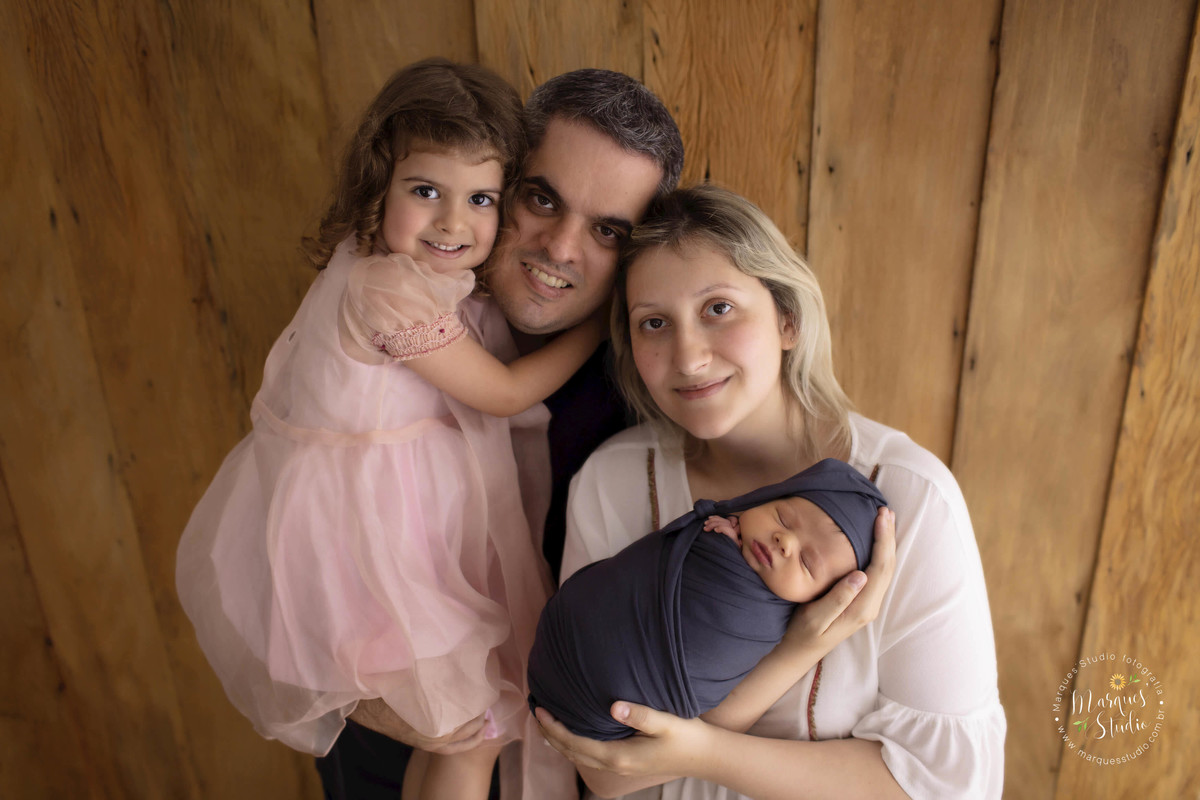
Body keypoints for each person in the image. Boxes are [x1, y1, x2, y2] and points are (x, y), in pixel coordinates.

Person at [175, 58, 610, 800]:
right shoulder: (387, 288)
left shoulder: (387, 266)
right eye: (425, 190)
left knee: (461, 732)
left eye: (481, 199)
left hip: (395, 534)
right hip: (374, 556)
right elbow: (504, 394)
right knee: (475, 730)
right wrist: (598, 324)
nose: (453, 222)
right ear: (378, 184)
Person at [536, 184, 1006, 799]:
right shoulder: (614, 481)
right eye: (654, 323)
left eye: (718, 308)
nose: (688, 357)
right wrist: (797, 652)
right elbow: (601, 767)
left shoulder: (910, 499)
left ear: (788, 319)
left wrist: (704, 752)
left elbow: (948, 785)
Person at [314, 68, 685, 798]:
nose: (561, 248)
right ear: (498, 180)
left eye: (607, 231)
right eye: (541, 199)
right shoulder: (391, 314)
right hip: (373, 742)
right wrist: (358, 695)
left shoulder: (647, 398)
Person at [528, 458, 891, 741]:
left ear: (824, 598)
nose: (785, 541)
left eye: (807, 563)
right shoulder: (611, 470)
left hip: (611, 706)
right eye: (782, 517)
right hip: (565, 634)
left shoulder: (766, 623)